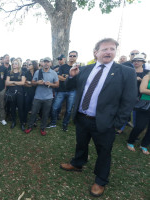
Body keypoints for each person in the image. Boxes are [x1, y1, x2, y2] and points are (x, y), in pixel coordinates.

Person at [59, 38, 137, 197]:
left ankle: (101, 180)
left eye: (112, 49)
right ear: (96, 53)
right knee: (81, 143)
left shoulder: (126, 72)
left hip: (105, 122)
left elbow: (129, 100)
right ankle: (78, 163)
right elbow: (68, 87)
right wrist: (72, 77)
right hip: (82, 117)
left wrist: (118, 123)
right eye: (105, 49)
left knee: (104, 151)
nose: (109, 52)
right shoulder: (85, 69)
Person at [24, 57, 59, 135]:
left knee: (45, 114)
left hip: (48, 98)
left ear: (50, 63)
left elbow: (57, 85)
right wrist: (37, 83)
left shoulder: (54, 73)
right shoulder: (38, 72)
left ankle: (43, 128)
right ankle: (30, 127)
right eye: (45, 62)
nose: (46, 63)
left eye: (48, 62)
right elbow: (33, 82)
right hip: (38, 97)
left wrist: (50, 84)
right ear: (42, 63)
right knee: (33, 113)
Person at [49, 51, 78, 131]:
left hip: (72, 91)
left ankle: (65, 124)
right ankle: (53, 123)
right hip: (61, 90)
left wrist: (65, 76)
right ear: (68, 57)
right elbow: (58, 77)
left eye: (74, 56)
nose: (72, 57)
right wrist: (70, 77)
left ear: (76, 57)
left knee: (68, 110)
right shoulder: (63, 66)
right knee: (55, 107)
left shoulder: (79, 67)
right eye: (70, 55)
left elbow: (77, 79)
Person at [127, 58, 150, 155]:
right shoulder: (147, 77)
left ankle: (144, 145)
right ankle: (130, 141)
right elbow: (142, 90)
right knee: (140, 126)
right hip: (145, 104)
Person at [5, 59, 26, 130]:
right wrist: (17, 82)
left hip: (20, 93)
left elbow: (23, 83)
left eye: (16, 63)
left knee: (20, 108)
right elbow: (7, 83)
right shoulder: (9, 72)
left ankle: (22, 123)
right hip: (11, 93)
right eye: (13, 63)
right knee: (12, 108)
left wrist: (12, 82)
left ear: (19, 65)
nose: (14, 65)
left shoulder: (22, 72)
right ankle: (14, 121)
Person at [23, 60, 38, 125]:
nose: (28, 66)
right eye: (27, 64)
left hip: (36, 92)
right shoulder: (26, 72)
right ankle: (24, 120)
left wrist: (30, 82)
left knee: (34, 107)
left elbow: (39, 82)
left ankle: (34, 121)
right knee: (26, 106)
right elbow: (24, 82)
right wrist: (32, 84)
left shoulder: (37, 72)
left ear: (33, 65)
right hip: (28, 92)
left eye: (29, 64)